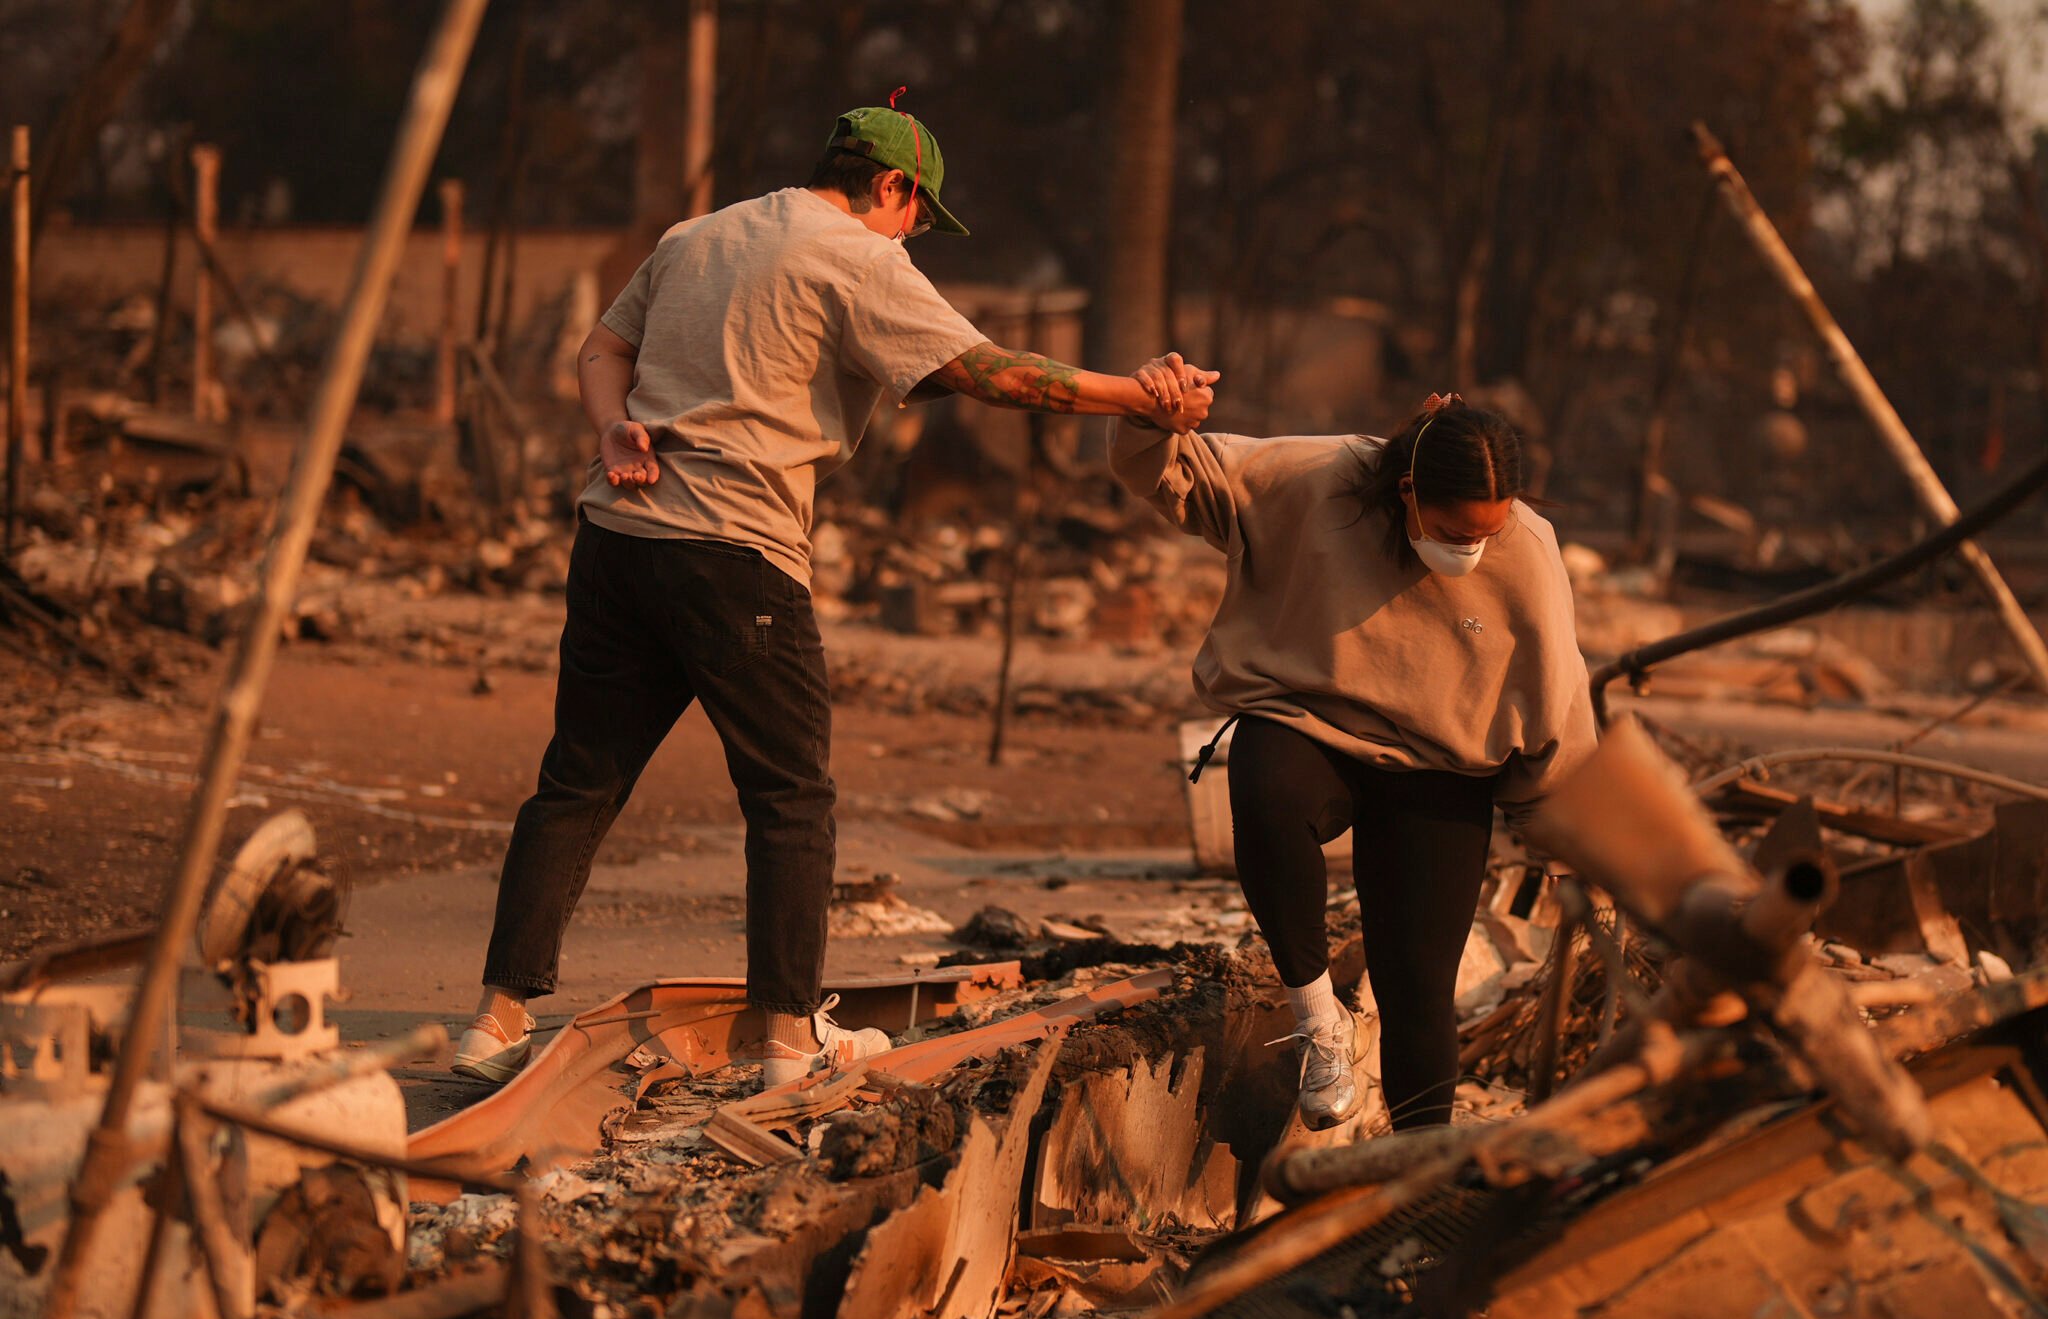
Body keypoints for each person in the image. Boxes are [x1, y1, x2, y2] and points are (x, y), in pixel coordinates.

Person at [452, 99, 1213, 1090]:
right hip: (734, 552)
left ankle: (495, 1019)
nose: (913, 242)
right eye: (917, 220)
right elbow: (988, 372)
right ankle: (781, 1043)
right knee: (790, 801)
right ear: (890, 188)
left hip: (616, 536)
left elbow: (601, 352)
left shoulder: (700, 236)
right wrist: (1137, 394)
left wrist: (612, 429)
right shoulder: (857, 257)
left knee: (577, 785)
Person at [1111, 372, 1595, 1130]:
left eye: (1487, 534)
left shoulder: (1528, 552)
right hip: (1313, 727)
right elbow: (1176, 472)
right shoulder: (1317, 480)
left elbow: (1559, 704)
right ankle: (1319, 1025)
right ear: (1407, 489)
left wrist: (1573, 844)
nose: (1474, 546)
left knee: (1418, 991)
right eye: (1457, 529)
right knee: (1265, 784)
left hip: (1442, 768)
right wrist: (1149, 413)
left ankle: (1415, 1181)